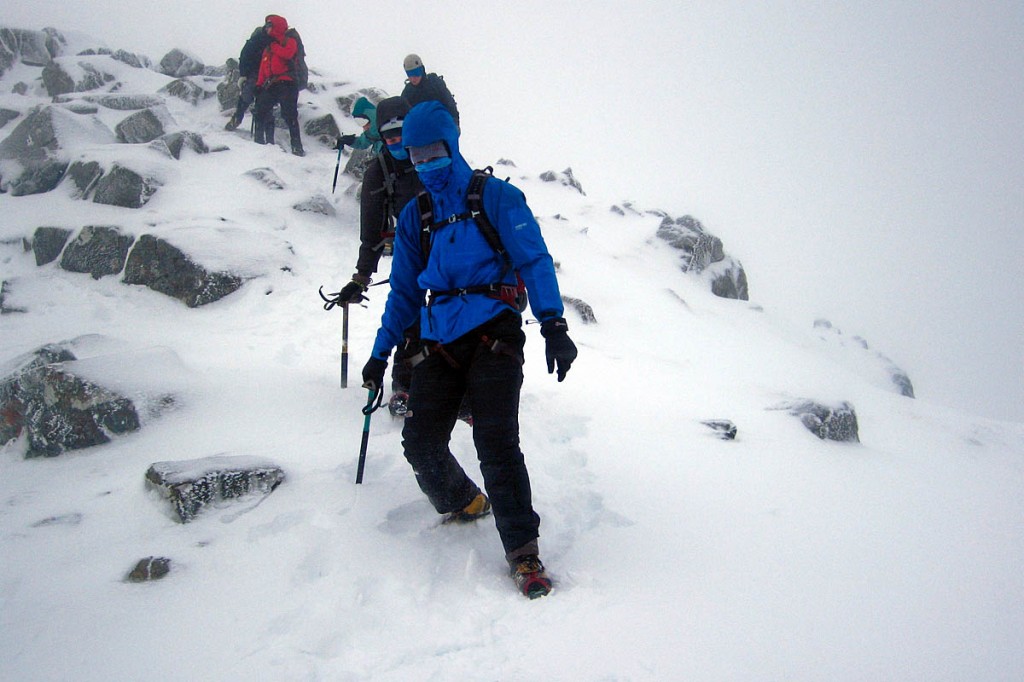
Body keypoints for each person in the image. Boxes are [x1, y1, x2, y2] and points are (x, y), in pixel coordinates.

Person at [360, 101, 577, 599]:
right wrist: (378, 355)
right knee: (420, 441)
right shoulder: (416, 215)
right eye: (415, 156)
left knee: (496, 442)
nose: (425, 163)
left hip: (495, 330)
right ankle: (464, 502)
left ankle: (523, 552)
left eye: (433, 152)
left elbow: (534, 260)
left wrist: (553, 324)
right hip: (441, 339)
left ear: (452, 145)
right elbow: (403, 294)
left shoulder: (496, 197)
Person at [333, 96, 422, 415]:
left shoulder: (437, 155)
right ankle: (405, 386)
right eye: (389, 138)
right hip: (412, 251)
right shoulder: (380, 172)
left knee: (454, 313)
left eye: (402, 134)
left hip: (450, 249)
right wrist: (361, 277)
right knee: (410, 316)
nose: (397, 143)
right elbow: (373, 233)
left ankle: (459, 389)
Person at [253, 15, 304, 156]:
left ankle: (297, 147)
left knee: (289, 115)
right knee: (261, 110)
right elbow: (263, 67)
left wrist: (273, 45)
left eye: (269, 26)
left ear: (276, 27)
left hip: (288, 83)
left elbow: (288, 54)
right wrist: (259, 84)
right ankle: (258, 142)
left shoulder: (289, 41)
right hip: (273, 84)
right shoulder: (269, 46)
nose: (267, 29)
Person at [224, 18, 273, 132]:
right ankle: (265, 127)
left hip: (254, 74)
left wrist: (244, 75)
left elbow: (244, 58)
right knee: (265, 99)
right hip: (267, 74)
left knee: (246, 96)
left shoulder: (254, 41)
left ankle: (237, 119)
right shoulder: (270, 41)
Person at [400, 54, 459, 126]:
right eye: (409, 74)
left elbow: (450, 104)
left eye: (415, 73)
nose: (413, 78)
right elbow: (403, 116)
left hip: (441, 126)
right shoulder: (407, 93)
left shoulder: (435, 84)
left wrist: (455, 124)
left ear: (421, 70)